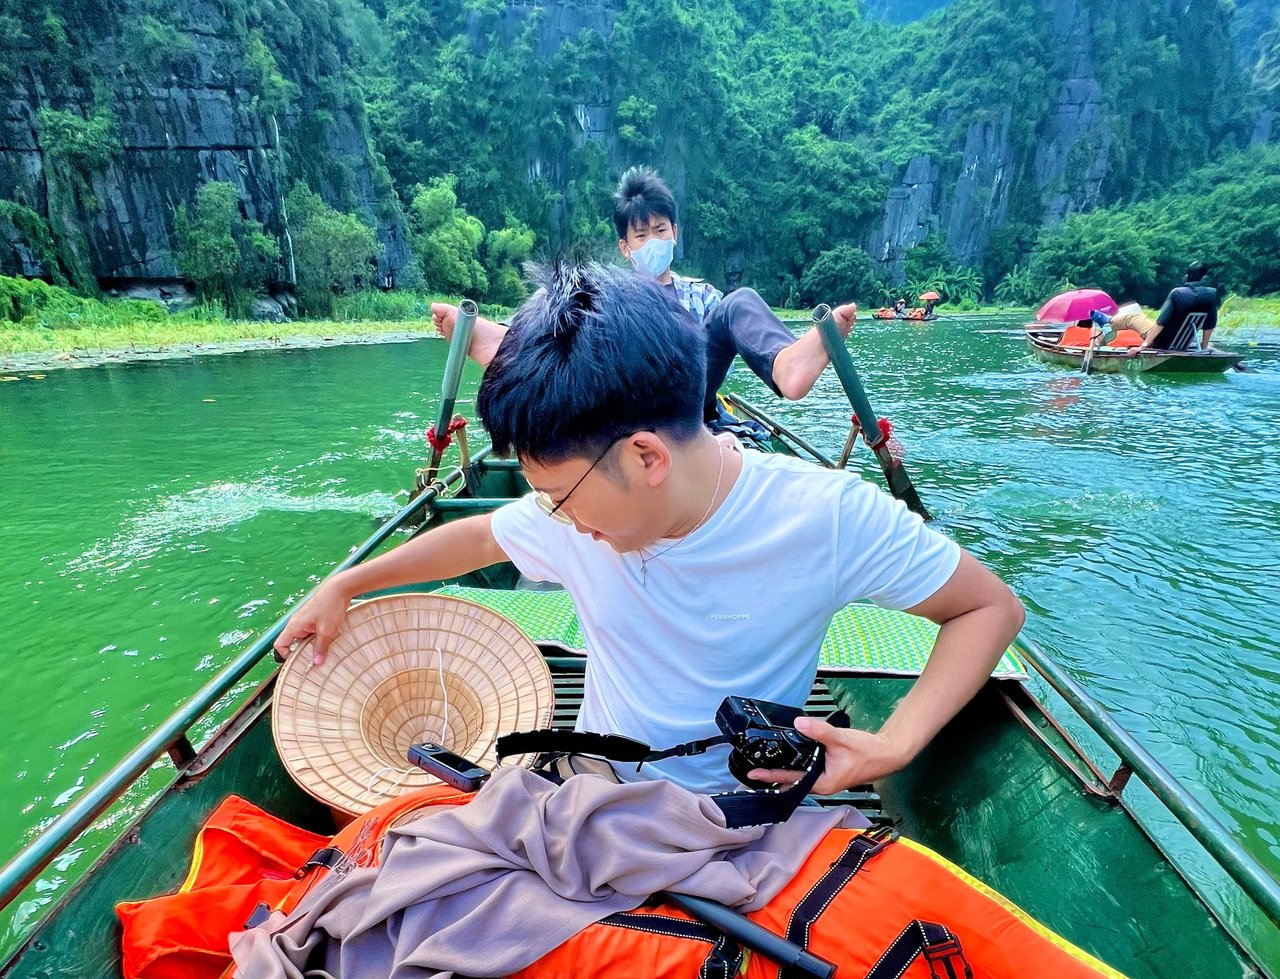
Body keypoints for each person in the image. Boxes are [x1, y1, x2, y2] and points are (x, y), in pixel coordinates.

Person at [278, 262, 1026, 796]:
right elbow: (479, 539)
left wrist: (896, 742)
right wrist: (348, 582)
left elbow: (989, 607)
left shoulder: (825, 515)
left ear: (645, 457)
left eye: (559, 495)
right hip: (593, 783)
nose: (555, 517)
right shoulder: (580, 513)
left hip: (744, 809)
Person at [431, 166, 857, 422]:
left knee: (739, 301)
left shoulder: (702, 297)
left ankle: (786, 365)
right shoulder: (609, 294)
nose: (652, 239)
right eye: (641, 234)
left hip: (687, 399)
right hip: (625, 397)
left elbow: (721, 337)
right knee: (570, 309)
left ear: (675, 233)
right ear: (625, 247)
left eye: (660, 230)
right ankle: (506, 345)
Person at [1094, 262, 1220, 354]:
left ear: (1187, 276)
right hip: (1183, 342)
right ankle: (1108, 322)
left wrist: (1142, 346)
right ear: (1204, 278)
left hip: (1161, 340)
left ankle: (1107, 322)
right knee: (1142, 318)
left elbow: (1160, 323)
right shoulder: (1211, 294)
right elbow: (1210, 325)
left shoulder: (1177, 293)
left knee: (1133, 317)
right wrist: (1203, 348)